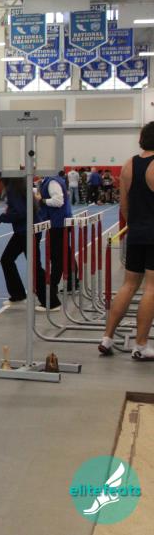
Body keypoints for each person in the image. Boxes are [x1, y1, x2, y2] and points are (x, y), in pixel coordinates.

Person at [100, 122, 154, 359]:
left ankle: (107, 338)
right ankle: (141, 346)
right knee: (151, 288)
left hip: (135, 232)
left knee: (128, 285)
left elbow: (123, 205)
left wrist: (135, 224)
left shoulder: (128, 165)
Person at [0, 177, 46, 309]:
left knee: (34, 266)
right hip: (26, 230)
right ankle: (18, 295)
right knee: (7, 259)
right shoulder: (20, 185)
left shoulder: (13, 188)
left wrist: (3, 218)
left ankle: (50, 302)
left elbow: (20, 213)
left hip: (26, 231)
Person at [35, 172, 72, 311]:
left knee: (56, 256)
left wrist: (42, 200)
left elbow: (58, 201)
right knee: (65, 253)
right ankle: (72, 281)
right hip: (58, 221)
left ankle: (53, 285)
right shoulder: (49, 181)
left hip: (58, 223)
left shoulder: (52, 182)